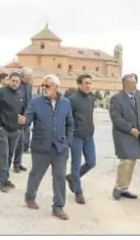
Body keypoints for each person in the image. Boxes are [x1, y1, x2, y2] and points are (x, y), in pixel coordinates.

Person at [22, 74, 74, 221]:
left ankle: (58, 208)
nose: (44, 88)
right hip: (41, 147)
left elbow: (70, 124)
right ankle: (30, 197)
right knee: (36, 174)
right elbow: (27, 120)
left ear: (57, 87)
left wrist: (68, 142)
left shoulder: (66, 103)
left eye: (48, 85)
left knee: (59, 178)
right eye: (43, 85)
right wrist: (23, 121)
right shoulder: (35, 102)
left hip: (60, 148)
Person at [110, 74, 140, 200]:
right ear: (125, 84)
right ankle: (118, 187)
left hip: (136, 134)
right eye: (132, 83)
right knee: (125, 161)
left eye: (135, 82)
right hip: (123, 133)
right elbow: (116, 118)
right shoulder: (116, 99)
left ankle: (125, 188)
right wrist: (130, 129)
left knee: (132, 162)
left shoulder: (138, 97)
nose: (135, 84)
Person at [0, 72, 23, 193]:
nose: (15, 83)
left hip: (15, 130)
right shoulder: (0, 92)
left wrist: (20, 126)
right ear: (8, 80)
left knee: (10, 155)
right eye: (13, 81)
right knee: (4, 154)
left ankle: (6, 178)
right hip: (2, 130)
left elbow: (22, 111)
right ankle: (3, 181)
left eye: (17, 82)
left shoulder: (20, 94)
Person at [65, 74, 96, 204]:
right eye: (86, 83)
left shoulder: (91, 99)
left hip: (89, 136)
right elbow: (68, 119)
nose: (88, 85)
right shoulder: (71, 100)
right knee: (76, 164)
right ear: (79, 84)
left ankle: (72, 178)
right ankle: (78, 192)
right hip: (77, 137)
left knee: (91, 162)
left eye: (90, 83)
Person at [12, 67, 33, 173]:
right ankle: (14, 164)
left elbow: (30, 101)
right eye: (30, 75)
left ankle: (18, 163)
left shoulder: (29, 86)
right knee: (17, 142)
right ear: (24, 76)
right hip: (16, 118)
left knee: (22, 142)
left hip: (26, 118)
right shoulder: (17, 84)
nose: (31, 77)